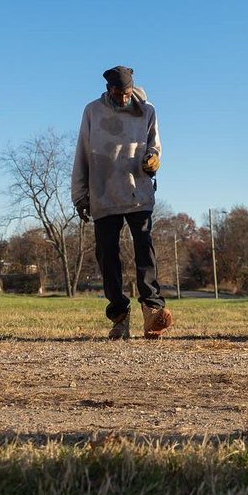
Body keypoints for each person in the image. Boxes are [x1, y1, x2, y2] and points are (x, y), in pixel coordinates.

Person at [71, 66, 173, 340]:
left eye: (127, 93)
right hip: (102, 192)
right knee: (107, 256)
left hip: (137, 192)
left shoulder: (147, 111)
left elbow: (155, 145)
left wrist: (153, 158)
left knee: (144, 249)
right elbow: (82, 150)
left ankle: (152, 311)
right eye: (118, 94)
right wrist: (79, 194)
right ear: (108, 90)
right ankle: (119, 315)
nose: (123, 98)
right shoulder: (92, 111)